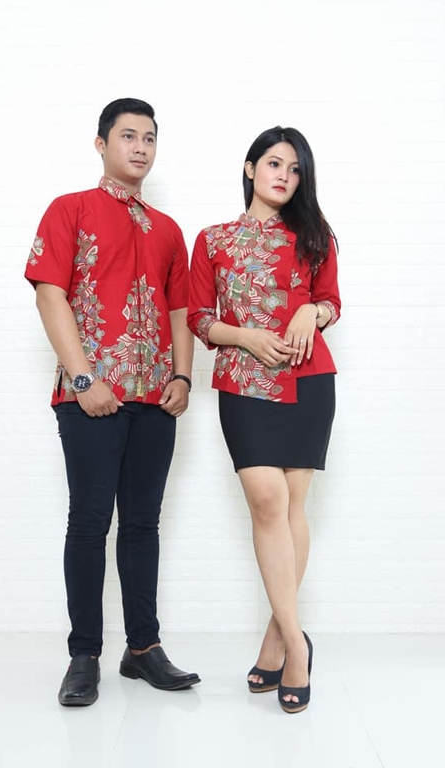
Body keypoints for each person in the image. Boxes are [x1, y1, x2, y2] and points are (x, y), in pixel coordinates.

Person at [25, 97, 200, 706]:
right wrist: (82, 381)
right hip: (90, 396)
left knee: (144, 524)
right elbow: (50, 294)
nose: (140, 147)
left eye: (149, 138)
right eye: (128, 136)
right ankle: (84, 655)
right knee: (89, 522)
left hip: (156, 399)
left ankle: (143, 648)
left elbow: (180, 309)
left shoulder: (169, 229)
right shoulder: (69, 209)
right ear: (101, 144)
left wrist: (183, 377)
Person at [187, 126, 340, 714]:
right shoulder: (214, 239)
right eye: (274, 164)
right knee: (267, 503)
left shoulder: (315, 235)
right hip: (243, 382)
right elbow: (200, 317)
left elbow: (332, 301)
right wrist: (246, 336)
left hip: (307, 379)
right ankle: (297, 642)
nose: (285, 176)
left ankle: (279, 640)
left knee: (293, 508)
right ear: (250, 168)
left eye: (295, 169)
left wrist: (310, 311)